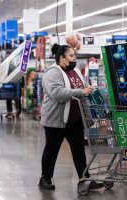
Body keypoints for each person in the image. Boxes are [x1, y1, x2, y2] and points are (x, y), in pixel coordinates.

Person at [39, 43, 103, 191]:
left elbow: (84, 86)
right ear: (62, 58)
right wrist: (82, 92)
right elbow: (58, 94)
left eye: (74, 55)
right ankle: (45, 178)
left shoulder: (75, 72)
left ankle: (84, 179)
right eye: (71, 56)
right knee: (52, 149)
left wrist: (91, 89)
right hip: (56, 120)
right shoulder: (53, 72)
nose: (74, 58)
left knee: (79, 151)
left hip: (75, 119)